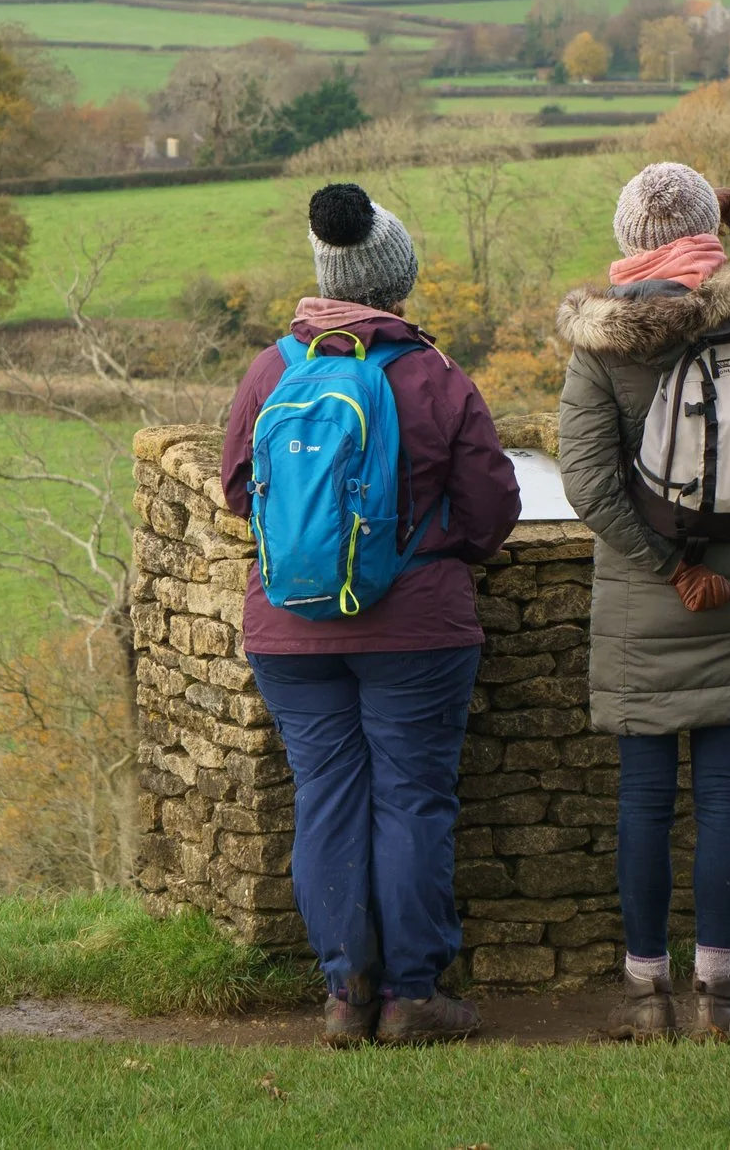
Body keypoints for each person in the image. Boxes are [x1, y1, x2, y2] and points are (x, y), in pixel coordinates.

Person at [220, 182, 522, 1047]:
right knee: (412, 799)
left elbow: (241, 488)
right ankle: (411, 995)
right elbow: (493, 509)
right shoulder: (433, 376)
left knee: (325, 796)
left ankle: (345, 994)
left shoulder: (272, 369)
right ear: (398, 279)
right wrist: (429, 550)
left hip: (290, 629)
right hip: (416, 628)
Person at [553, 162, 730, 1042]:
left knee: (642, 797)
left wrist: (667, 566)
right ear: (706, 226)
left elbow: (589, 484)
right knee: (723, 792)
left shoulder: (603, 345)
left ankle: (645, 996)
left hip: (646, 600)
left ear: (629, 239)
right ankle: (721, 994)